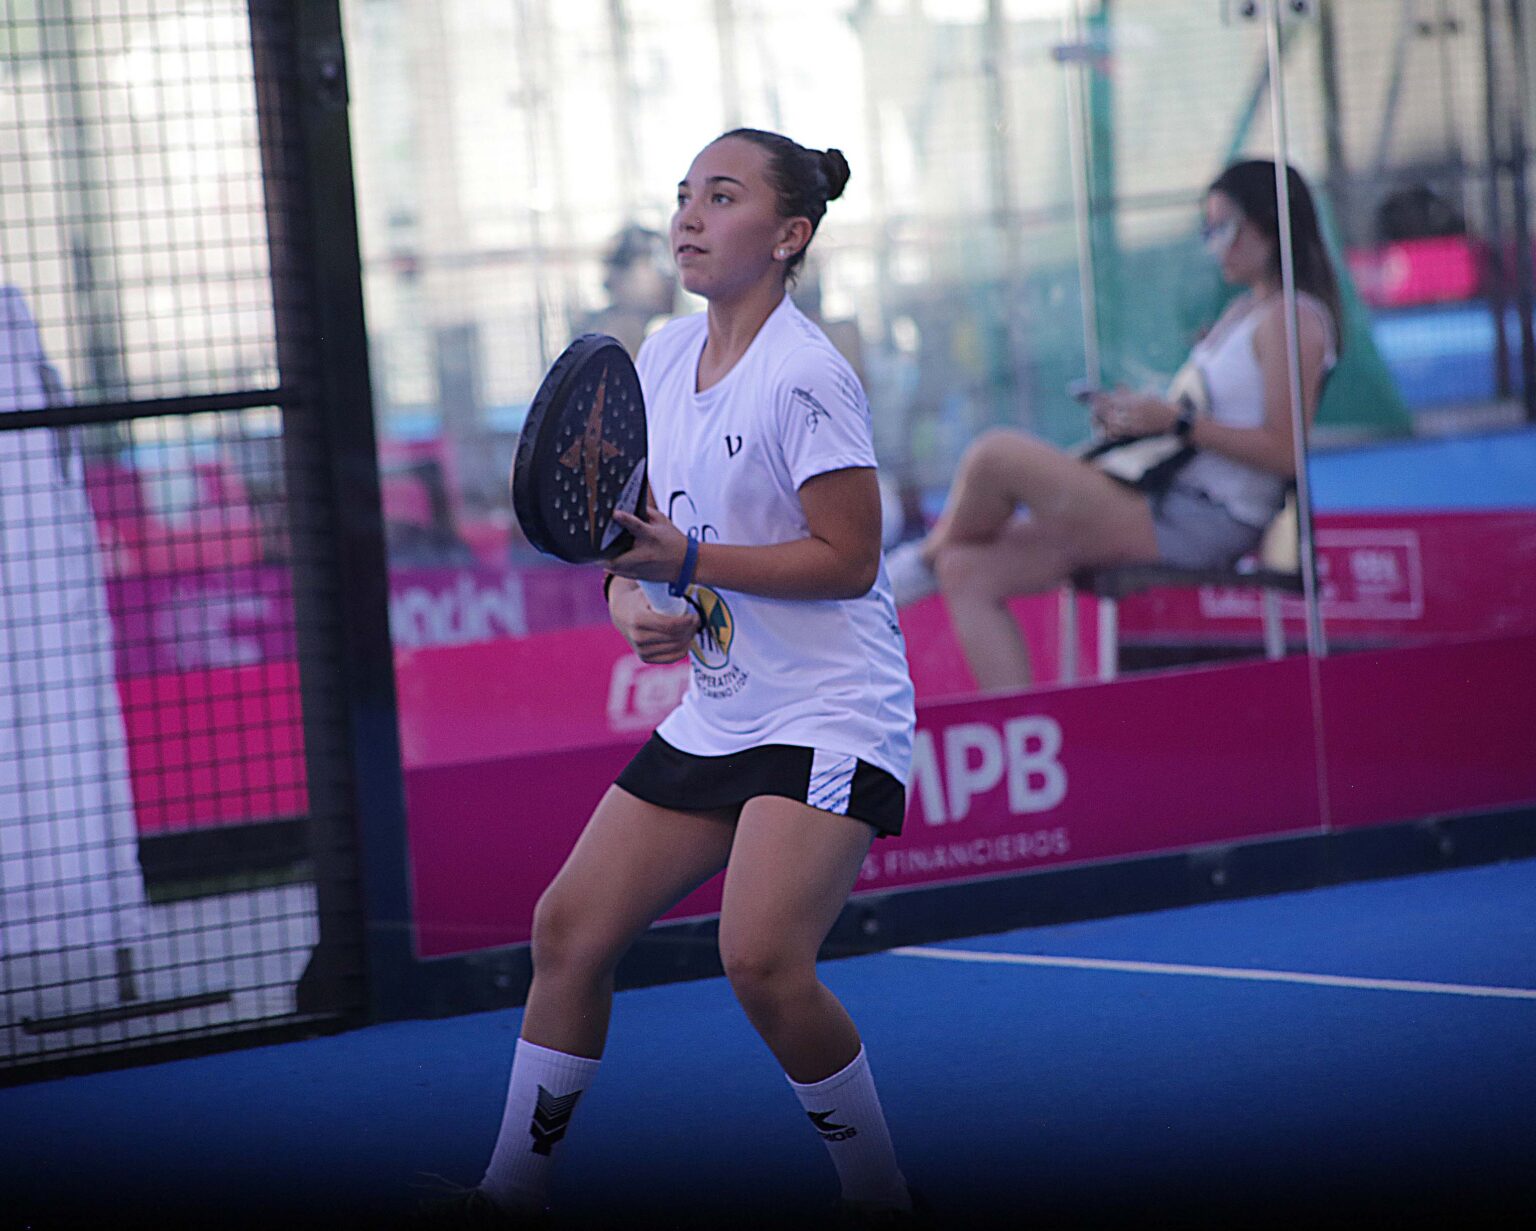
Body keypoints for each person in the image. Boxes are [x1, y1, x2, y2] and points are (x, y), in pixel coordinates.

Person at [424, 130, 923, 1228]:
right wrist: (629, 601)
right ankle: (511, 1194)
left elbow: (849, 560)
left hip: (832, 712)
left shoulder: (806, 373)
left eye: (723, 197)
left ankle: (881, 1194)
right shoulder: (653, 358)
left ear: (789, 235)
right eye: (685, 195)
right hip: (721, 712)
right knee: (569, 931)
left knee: (763, 961)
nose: (689, 217)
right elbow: (625, 540)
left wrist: (687, 562)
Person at [886, 160, 1341, 693]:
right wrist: (1140, 421)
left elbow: (1286, 452)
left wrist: (1178, 422)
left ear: (1268, 224)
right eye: (1208, 230)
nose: (1214, 245)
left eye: (1224, 228)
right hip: (1159, 493)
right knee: (967, 569)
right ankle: (1031, 723)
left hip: (1198, 516)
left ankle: (915, 564)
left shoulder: (1293, 319)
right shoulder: (1244, 310)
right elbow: (1195, 425)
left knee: (995, 455)